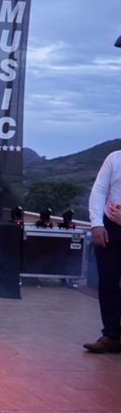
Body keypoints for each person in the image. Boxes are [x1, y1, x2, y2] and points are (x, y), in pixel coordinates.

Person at [84, 150, 121, 354]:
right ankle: (111, 336)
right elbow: (99, 190)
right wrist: (96, 223)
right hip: (110, 227)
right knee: (108, 282)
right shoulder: (114, 158)